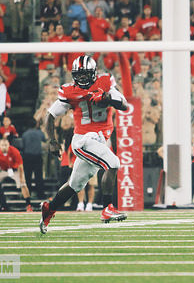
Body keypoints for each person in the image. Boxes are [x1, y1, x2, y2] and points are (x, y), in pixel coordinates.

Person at [40, 55, 128, 234]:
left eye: (85, 75)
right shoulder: (69, 91)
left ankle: (49, 209)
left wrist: (105, 98)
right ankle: (107, 208)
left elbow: (124, 105)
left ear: (94, 73)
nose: (81, 79)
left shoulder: (105, 82)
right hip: (83, 139)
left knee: (75, 184)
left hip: (99, 139)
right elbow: (50, 115)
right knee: (114, 163)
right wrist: (52, 141)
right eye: (78, 75)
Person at [0, 138, 31, 212]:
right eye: (2, 145)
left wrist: (21, 177)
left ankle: (28, 205)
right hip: (2, 169)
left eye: (6, 145)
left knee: (23, 184)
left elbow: (20, 166)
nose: (4, 147)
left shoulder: (14, 151)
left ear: (9, 145)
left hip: (14, 169)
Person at [21, 118, 46, 198]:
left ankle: (28, 193)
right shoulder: (40, 133)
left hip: (27, 156)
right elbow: (44, 140)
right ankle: (40, 194)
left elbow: (23, 145)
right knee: (38, 176)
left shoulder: (25, 134)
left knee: (27, 176)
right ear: (36, 124)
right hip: (37, 156)